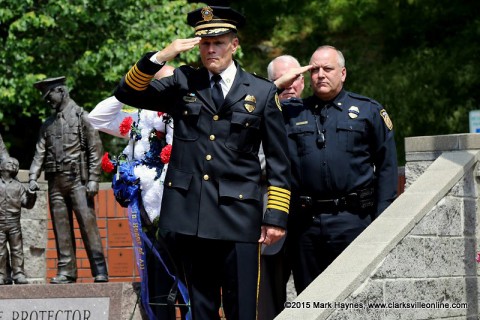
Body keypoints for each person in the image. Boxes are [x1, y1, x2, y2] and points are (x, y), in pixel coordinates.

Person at [113, 5, 291, 320]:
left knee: (242, 308)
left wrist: (275, 216)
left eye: (218, 42)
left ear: (234, 44)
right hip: (191, 217)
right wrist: (160, 57)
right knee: (202, 308)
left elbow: (279, 160)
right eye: (205, 43)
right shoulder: (183, 81)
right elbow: (128, 92)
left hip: (239, 217)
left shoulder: (262, 93)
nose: (211, 49)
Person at [282, 45, 398, 294]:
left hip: (353, 220)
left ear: (343, 73)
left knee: (356, 297)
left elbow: (387, 167)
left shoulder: (368, 110)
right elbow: (257, 104)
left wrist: (383, 221)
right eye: (314, 70)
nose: (321, 75)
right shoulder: (291, 113)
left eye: (328, 69)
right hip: (305, 225)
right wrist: (281, 83)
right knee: (310, 299)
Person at [89, 65, 188, 320]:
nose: (167, 90)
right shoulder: (140, 117)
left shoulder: (191, 111)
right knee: (158, 279)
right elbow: (97, 117)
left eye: (172, 84)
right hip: (151, 210)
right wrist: (131, 91)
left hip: (186, 210)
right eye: (160, 84)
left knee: (190, 280)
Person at [29, 76, 108, 284]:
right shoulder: (47, 125)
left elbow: (95, 149)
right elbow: (39, 152)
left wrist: (93, 179)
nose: (48, 101)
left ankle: (99, 269)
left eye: (49, 96)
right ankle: (67, 271)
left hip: (77, 180)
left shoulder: (83, 117)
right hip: (55, 182)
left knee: (87, 225)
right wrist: (32, 176)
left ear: (61, 91)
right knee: (61, 228)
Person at [258, 55, 305, 320]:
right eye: (281, 79)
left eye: (295, 77)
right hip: (270, 216)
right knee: (268, 299)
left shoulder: (314, 111)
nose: (289, 84)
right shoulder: (256, 114)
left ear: (303, 80)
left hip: (310, 222)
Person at [0, 156, 36, 285]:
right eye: (10, 163)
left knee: (17, 250)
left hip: (14, 223)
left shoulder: (19, 186)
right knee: (1, 251)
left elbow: (27, 204)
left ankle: (19, 273)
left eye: (16, 164)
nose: (13, 165)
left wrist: (31, 193)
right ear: (1, 167)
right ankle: (2, 274)